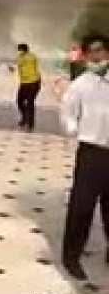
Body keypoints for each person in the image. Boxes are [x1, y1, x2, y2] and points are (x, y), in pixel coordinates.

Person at [61, 35, 109, 281]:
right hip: (91, 153)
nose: (96, 56)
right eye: (91, 52)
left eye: (100, 50)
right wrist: (74, 129)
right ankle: (71, 256)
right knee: (82, 207)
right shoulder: (80, 84)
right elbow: (68, 113)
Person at [16, 43, 41, 131]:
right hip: (24, 83)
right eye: (19, 50)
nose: (19, 51)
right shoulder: (20, 57)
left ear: (25, 50)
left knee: (30, 103)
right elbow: (20, 69)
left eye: (20, 50)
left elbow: (27, 64)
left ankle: (30, 124)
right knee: (19, 101)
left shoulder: (31, 57)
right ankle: (25, 118)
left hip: (34, 82)